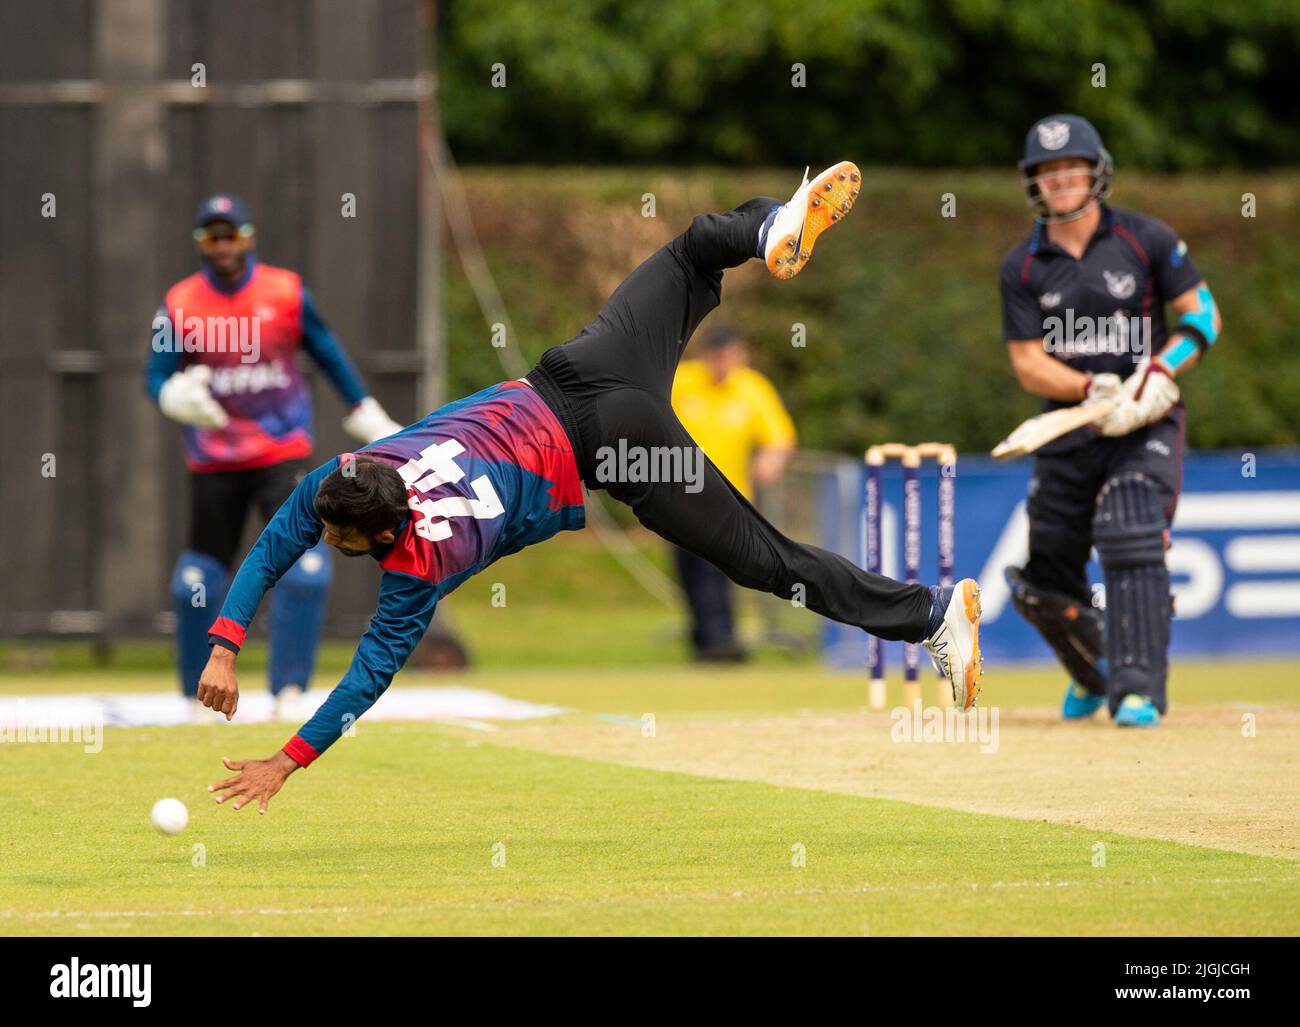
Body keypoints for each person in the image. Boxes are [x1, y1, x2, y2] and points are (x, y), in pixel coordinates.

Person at [199, 163, 984, 813]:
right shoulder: (361, 468)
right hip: (584, 365)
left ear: (379, 536)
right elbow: (282, 539)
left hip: (616, 448)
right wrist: (227, 648)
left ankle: (931, 616)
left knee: (765, 559)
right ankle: (765, 230)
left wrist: (288, 759)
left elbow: (367, 673)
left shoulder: (417, 567)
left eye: (338, 541)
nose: (323, 539)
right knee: (688, 252)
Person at [999, 115, 1222, 727]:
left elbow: (1202, 314)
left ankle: (1137, 690)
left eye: (1071, 167)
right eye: (1047, 173)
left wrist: (1160, 371)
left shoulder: (1146, 239)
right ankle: (1093, 676)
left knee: (1131, 523)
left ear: (1096, 173)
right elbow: (1026, 364)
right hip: (1070, 426)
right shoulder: (1023, 265)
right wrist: (1091, 387)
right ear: (1034, 184)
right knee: (1044, 577)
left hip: (1146, 421)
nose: (1061, 180)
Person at [147, 194, 403, 720]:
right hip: (214, 458)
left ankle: (288, 690)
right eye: (211, 236)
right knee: (197, 581)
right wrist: (175, 397)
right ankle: (198, 696)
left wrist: (365, 410)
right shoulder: (179, 302)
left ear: (248, 235)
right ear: (200, 243)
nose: (223, 245)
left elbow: (326, 349)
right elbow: (155, 373)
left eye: (230, 233)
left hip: (280, 454)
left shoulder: (284, 292)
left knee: (306, 569)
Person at [670, 325, 796, 661]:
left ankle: (720, 641)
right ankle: (705, 640)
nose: (721, 363)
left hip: (727, 497)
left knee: (714, 567)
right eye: (716, 355)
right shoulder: (683, 380)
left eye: (728, 355)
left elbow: (779, 436)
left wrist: (771, 459)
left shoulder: (752, 388)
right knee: (688, 570)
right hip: (675, 494)